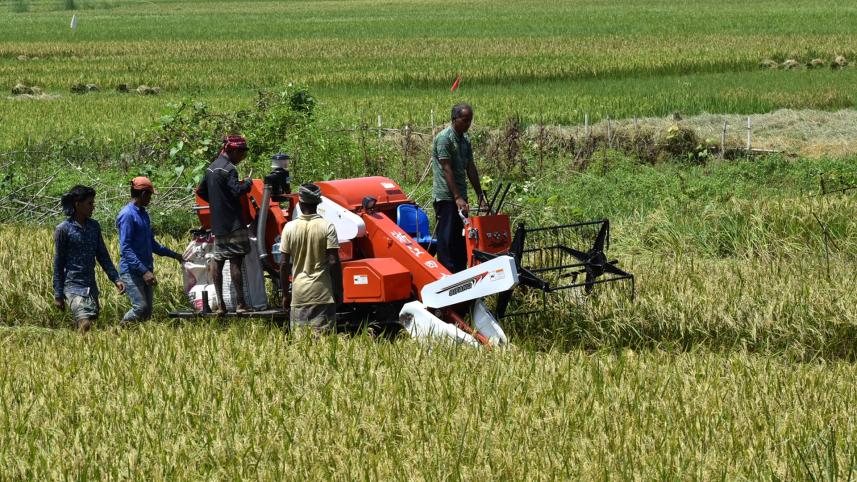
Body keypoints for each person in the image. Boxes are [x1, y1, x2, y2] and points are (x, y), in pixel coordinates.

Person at [53, 185, 125, 333]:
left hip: (90, 286)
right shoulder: (63, 229)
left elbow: (103, 256)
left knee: (87, 326)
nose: (93, 207)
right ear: (77, 204)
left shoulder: (94, 227)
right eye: (90, 203)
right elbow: (58, 263)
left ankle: (75, 351)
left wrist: (116, 279)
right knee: (85, 324)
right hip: (72, 285)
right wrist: (58, 294)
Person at [197, 135, 253, 314]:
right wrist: (248, 184)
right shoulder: (230, 169)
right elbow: (237, 191)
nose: (242, 158)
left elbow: (201, 191)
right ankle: (240, 304)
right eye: (242, 154)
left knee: (218, 261)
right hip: (234, 223)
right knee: (235, 261)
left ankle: (221, 305)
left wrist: (217, 201)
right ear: (234, 151)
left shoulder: (211, 168)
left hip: (218, 224)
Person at [116, 176, 184, 324]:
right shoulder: (127, 215)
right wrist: (144, 271)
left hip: (146, 268)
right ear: (143, 194)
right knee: (140, 307)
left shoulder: (143, 214)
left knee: (147, 313)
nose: (151, 199)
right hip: (132, 271)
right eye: (150, 195)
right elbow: (125, 248)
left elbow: (152, 244)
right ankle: (117, 332)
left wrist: (175, 255)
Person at [431, 102, 487, 273]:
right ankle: (446, 274)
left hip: (461, 197)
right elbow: (446, 169)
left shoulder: (465, 140)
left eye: (470, 120)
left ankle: (462, 273)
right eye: (465, 120)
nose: (468, 124)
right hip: (447, 197)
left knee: (461, 237)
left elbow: (470, 166)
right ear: (454, 119)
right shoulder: (444, 138)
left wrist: (479, 193)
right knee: (447, 240)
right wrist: (457, 197)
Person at [279, 183, 342, 333]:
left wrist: (286, 294)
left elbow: (283, 264)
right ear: (318, 203)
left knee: (302, 346)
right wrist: (339, 290)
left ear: (300, 203)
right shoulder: (327, 227)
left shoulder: (289, 228)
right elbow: (334, 262)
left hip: (299, 295)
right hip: (322, 295)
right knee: (324, 346)